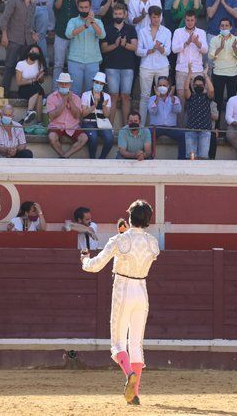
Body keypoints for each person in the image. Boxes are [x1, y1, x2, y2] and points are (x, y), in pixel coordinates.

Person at [81, 199, 160, 406]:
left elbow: (95, 266)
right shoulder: (153, 243)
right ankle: (134, 394)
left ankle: (129, 375)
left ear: (130, 218)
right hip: (142, 291)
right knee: (136, 343)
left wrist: (84, 260)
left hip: (123, 289)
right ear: (148, 220)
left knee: (118, 343)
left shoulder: (119, 240)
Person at [101, 3, 138, 126]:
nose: (118, 16)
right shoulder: (107, 28)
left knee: (126, 97)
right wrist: (116, 45)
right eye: (116, 14)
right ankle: (109, 128)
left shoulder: (131, 29)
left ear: (125, 14)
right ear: (112, 14)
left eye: (120, 14)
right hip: (111, 67)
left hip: (128, 67)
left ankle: (126, 128)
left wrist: (124, 45)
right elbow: (104, 49)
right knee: (113, 96)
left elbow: (135, 47)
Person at [1, 0, 38, 93]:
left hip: (27, 40)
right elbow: (5, 19)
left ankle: (23, 91)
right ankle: (4, 90)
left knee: (25, 68)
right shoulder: (14, 2)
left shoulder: (33, 6)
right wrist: (4, 35)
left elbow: (28, 24)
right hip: (13, 38)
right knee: (9, 66)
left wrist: (33, 33)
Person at [136, 6, 171, 120]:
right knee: (145, 96)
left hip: (162, 66)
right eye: (154, 17)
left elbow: (168, 51)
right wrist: (150, 50)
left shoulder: (166, 31)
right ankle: (140, 125)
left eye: (158, 17)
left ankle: (161, 123)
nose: (156, 19)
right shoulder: (142, 31)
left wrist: (160, 48)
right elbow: (138, 51)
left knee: (162, 95)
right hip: (146, 66)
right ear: (150, 17)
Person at [66, 0, 106, 95]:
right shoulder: (73, 21)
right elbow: (69, 34)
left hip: (93, 61)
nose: (84, 10)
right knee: (74, 92)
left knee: (91, 92)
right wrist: (85, 26)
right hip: (75, 60)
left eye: (86, 7)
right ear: (78, 7)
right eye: (81, 7)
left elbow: (102, 36)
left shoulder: (98, 21)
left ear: (90, 7)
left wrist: (92, 22)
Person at [208, 18, 237, 127]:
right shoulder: (214, 40)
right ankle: (216, 127)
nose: (224, 28)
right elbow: (211, 56)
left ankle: (230, 127)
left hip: (232, 73)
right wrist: (221, 47)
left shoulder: (236, 39)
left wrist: (234, 48)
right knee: (217, 101)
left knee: (232, 101)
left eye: (226, 26)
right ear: (219, 27)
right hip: (218, 73)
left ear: (230, 27)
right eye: (222, 26)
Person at [47, 72, 88, 157]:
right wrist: (64, 102)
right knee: (52, 137)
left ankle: (65, 156)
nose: (64, 86)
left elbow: (77, 115)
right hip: (56, 126)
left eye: (66, 84)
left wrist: (71, 101)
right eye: (62, 84)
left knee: (84, 138)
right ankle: (63, 156)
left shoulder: (76, 98)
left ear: (70, 85)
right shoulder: (51, 97)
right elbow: (51, 116)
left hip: (73, 126)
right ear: (58, 84)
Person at [171, 10, 208, 101]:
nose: (190, 22)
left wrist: (196, 42)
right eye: (188, 20)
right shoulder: (178, 32)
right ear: (184, 20)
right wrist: (187, 42)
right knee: (181, 98)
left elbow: (205, 50)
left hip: (197, 69)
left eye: (192, 20)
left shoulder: (201, 32)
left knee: (197, 97)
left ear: (195, 20)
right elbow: (174, 49)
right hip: (181, 69)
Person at [147, 76, 184, 159]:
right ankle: (150, 158)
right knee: (148, 134)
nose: (162, 87)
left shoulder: (175, 98)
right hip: (155, 127)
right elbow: (152, 111)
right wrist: (157, 98)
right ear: (156, 87)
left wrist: (172, 98)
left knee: (183, 134)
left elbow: (178, 110)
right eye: (160, 85)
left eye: (164, 85)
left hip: (171, 127)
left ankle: (182, 159)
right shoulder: (152, 98)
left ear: (169, 87)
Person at [79, 72, 114, 159]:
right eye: (97, 82)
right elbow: (83, 114)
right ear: (93, 82)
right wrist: (94, 106)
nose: (98, 85)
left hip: (102, 123)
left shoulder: (107, 96)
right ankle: (92, 159)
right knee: (93, 139)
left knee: (109, 139)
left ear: (103, 85)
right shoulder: (85, 95)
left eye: (101, 83)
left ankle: (102, 159)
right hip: (89, 123)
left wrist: (104, 106)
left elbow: (107, 115)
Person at [184, 69, 214, 159]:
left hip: (205, 131)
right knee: (191, 158)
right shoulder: (190, 96)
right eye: (196, 85)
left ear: (204, 86)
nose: (198, 86)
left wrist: (205, 75)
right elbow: (185, 88)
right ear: (193, 86)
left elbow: (211, 90)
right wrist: (189, 74)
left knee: (203, 157)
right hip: (191, 130)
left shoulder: (207, 97)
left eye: (201, 85)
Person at [16, 43, 47, 125]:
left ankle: (36, 118)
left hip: (36, 86)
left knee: (39, 91)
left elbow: (41, 81)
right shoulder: (21, 64)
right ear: (28, 52)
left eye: (36, 53)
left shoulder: (39, 64)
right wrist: (32, 80)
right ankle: (33, 115)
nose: (34, 54)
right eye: (32, 51)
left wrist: (41, 77)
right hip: (24, 89)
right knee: (38, 90)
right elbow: (18, 82)